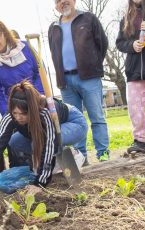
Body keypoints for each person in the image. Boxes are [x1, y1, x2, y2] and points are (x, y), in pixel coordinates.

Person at [0, 80, 88, 194]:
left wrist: (40, 183)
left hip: (73, 122)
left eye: (23, 113)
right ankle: (44, 167)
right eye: (15, 113)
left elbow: (48, 145)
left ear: (32, 110)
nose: (18, 118)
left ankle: (73, 154)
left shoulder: (45, 112)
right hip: (41, 130)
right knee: (14, 141)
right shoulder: (10, 116)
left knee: (41, 143)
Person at [48, 0, 110, 163]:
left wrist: (92, 65)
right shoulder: (53, 28)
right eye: (58, 1)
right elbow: (54, 53)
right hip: (66, 82)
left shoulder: (88, 19)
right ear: (56, 6)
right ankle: (81, 157)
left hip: (89, 78)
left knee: (97, 116)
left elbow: (102, 44)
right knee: (73, 120)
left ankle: (103, 153)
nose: (63, 2)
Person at [0, 19, 44, 117]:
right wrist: (11, 113)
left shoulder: (26, 48)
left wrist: (39, 97)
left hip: (37, 102)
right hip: (15, 111)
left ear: (5, 34)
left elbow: (39, 73)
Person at [116, 0, 145, 154]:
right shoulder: (126, 18)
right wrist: (132, 45)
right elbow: (119, 43)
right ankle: (141, 142)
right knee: (135, 108)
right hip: (134, 72)